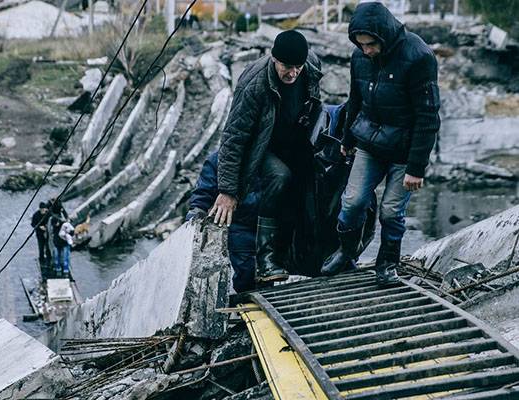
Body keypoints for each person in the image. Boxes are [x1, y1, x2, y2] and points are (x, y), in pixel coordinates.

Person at [189, 104, 377, 292]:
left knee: (276, 268)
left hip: (278, 227)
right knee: (247, 276)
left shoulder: (284, 155)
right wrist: (195, 213)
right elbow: (203, 193)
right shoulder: (223, 159)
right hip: (242, 227)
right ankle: (249, 302)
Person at [321, 2, 441, 285]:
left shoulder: (419, 57)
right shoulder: (359, 57)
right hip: (370, 143)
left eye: (371, 44)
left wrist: (417, 167)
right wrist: (347, 139)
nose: (367, 50)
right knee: (351, 203)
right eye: (361, 45)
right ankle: (346, 252)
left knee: (390, 210)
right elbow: (355, 100)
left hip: (404, 150)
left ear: (384, 36)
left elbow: (428, 116)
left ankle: (386, 264)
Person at [210, 30, 324, 285]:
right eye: (286, 67)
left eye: (298, 67)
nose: (293, 73)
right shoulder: (254, 84)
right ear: (274, 58)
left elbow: (316, 102)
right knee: (280, 176)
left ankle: (307, 255)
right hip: (262, 144)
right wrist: (227, 191)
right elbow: (234, 137)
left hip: (294, 137)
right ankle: (266, 259)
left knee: (314, 179)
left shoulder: (312, 65)